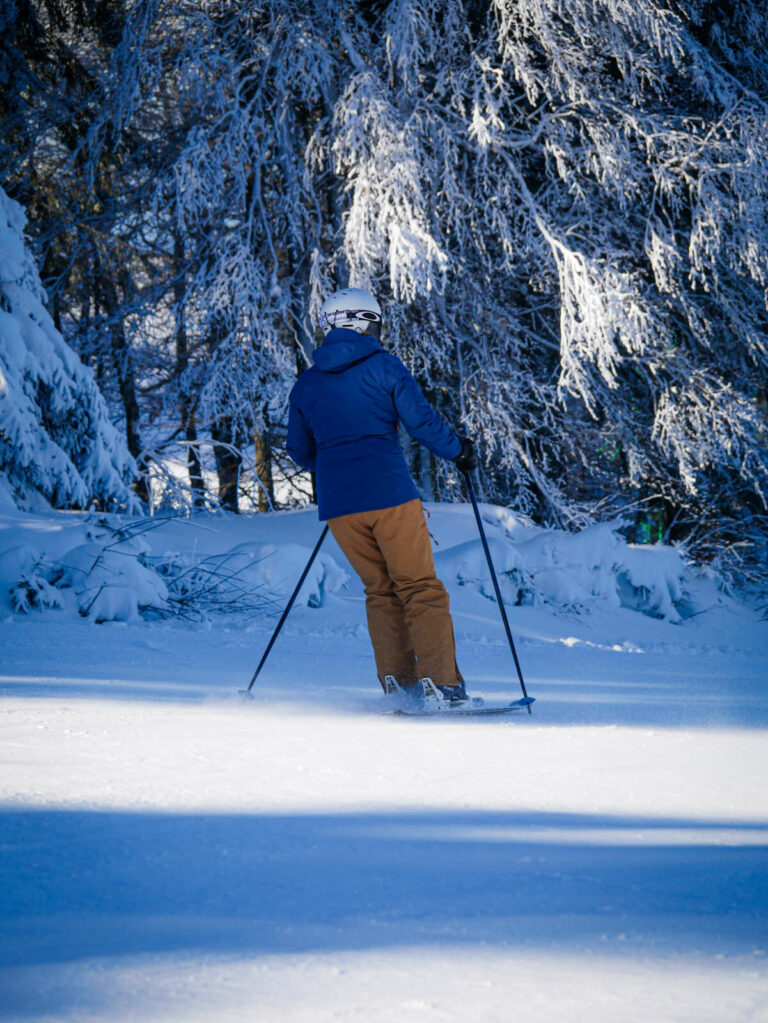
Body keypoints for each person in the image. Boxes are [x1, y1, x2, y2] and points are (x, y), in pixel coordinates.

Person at [286, 287, 477, 707]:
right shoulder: (385, 366)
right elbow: (422, 424)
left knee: (380, 591)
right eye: (374, 322)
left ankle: (401, 686)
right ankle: (443, 687)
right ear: (360, 322)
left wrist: (338, 468)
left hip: (340, 508)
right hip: (388, 495)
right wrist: (460, 451)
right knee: (420, 588)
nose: (378, 330)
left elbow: (300, 450)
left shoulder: (307, 383)